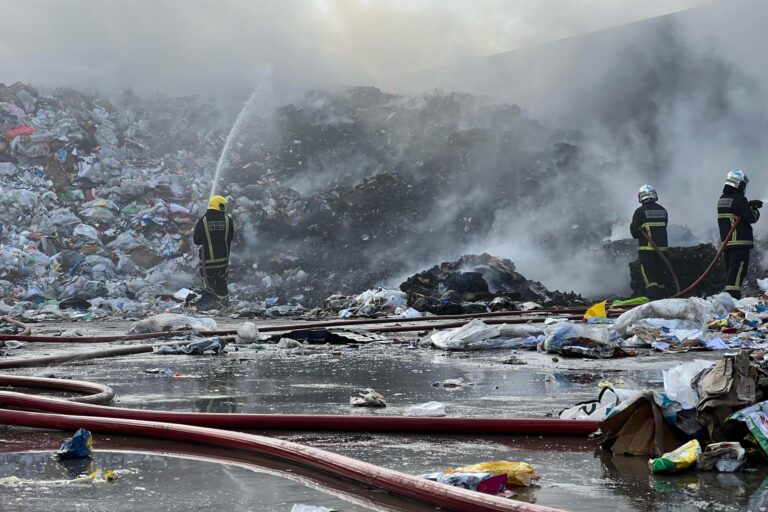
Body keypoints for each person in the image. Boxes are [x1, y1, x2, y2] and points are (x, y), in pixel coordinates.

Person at [717, 169, 762, 299]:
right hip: (740, 243)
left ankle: (728, 297)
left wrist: (748, 205)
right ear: (739, 184)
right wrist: (754, 210)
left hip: (727, 244)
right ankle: (733, 298)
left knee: (732, 272)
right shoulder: (739, 199)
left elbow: (736, 211)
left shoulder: (723, 199)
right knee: (737, 274)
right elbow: (750, 218)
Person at [193, 195, 234, 307]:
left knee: (208, 283)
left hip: (208, 261)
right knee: (221, 281)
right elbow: (230, 237)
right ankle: (224, 303)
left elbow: (197, 241)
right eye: (223, 205)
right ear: (219, 205)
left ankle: (211, 305)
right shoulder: (228, 220)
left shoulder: (203, 221)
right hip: (223, 260)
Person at [630, 184, 668, 300]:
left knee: (649, 275)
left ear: (641, 197)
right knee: (660, 273)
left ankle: (653, 297)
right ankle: (662, 297)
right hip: (662, 249)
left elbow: (634, 232)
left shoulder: (639, 212)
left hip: (647, 249)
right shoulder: (663, 210)